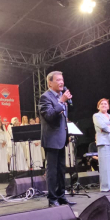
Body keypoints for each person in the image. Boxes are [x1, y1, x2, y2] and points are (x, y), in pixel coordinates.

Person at [38, 71, 76, 207]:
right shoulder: (45, 97)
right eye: (58, 80)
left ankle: (61, 196)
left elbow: (63, 119)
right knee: (52, 171)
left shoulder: (61, 96)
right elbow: (49, 115)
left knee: (61, 170)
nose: (61, 82)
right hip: (51, 139)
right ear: (50, 83)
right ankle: (52, 199)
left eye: (62, 80)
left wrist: (67, 133)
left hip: (61, 138)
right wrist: (61, 102)